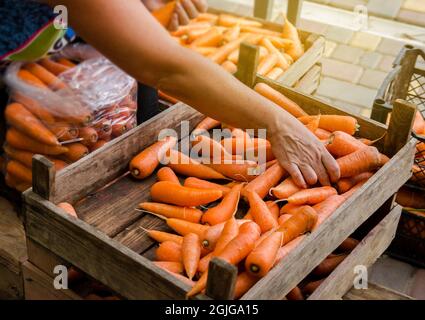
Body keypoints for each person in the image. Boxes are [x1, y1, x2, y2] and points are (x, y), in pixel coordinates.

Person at [3, 0, 340, 188]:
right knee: (35, 175)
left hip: (60, 49)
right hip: (15, 68)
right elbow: (167, 70)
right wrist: (276, 123)